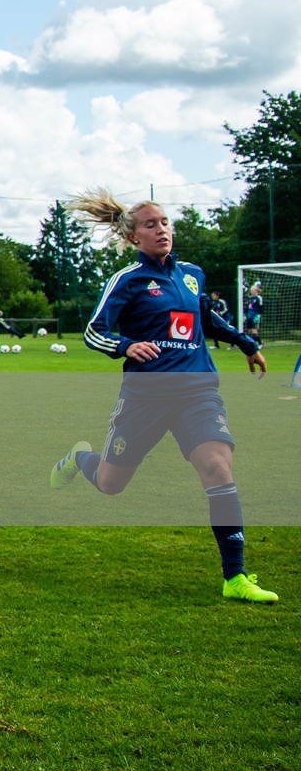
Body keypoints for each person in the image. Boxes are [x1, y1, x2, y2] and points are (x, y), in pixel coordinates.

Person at [51, 192, 276, 604]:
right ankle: (79, 458)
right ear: (133, 237)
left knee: (218, 467)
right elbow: (94, 331)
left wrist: (246, 343)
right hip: (146, 398)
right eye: (151, 225)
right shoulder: (127, 280)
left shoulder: (192, 275)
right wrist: (126, 346)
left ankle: (235, 576)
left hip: (197, 392)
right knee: (111, 483)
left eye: (165, 222)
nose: (162, 230)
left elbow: (206, 318)